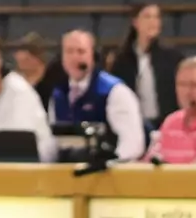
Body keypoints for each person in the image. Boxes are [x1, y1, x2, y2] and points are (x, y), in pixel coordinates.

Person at [49, 30, 145, 162]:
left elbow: (133, 143)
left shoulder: (115, 91)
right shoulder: (58, 94)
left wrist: (111, 164)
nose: (74, 57)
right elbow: (53, 141)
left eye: (81, 51)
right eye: (69, 52)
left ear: (92, 56)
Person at [110, 3, 181, 125]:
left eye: (157, 17)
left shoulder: (172, 57)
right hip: (133, 125)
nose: (153, 21)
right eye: (147, 16)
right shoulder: (121, 60)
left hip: (166, 124)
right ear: (135, 22)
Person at [13, 32, 60, 108]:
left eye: (26, 59)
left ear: (36, 58)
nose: (17, 57)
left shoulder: (52, 81)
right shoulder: (14, 82)